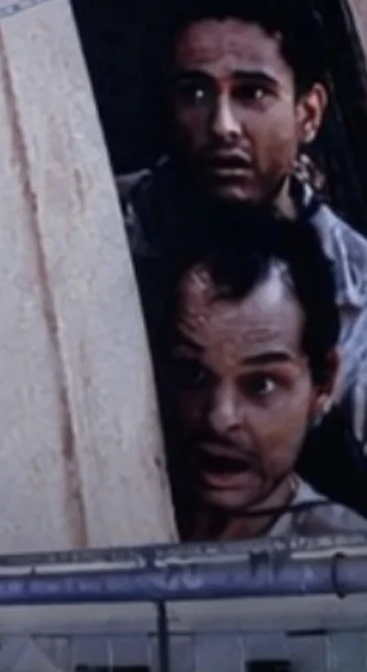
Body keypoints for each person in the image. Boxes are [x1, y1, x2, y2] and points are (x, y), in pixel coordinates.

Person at [117, 0, 367, 496]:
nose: (223, 125)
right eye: (196, 92)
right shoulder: (100, 225)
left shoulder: (357, 286)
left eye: (253, 93)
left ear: (308, 113)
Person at [137, 203, 367, 540]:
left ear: (323, 384)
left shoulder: (343, 565)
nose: (220, 417)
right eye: (193, 375)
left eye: (260, 385)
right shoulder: (108, 518)